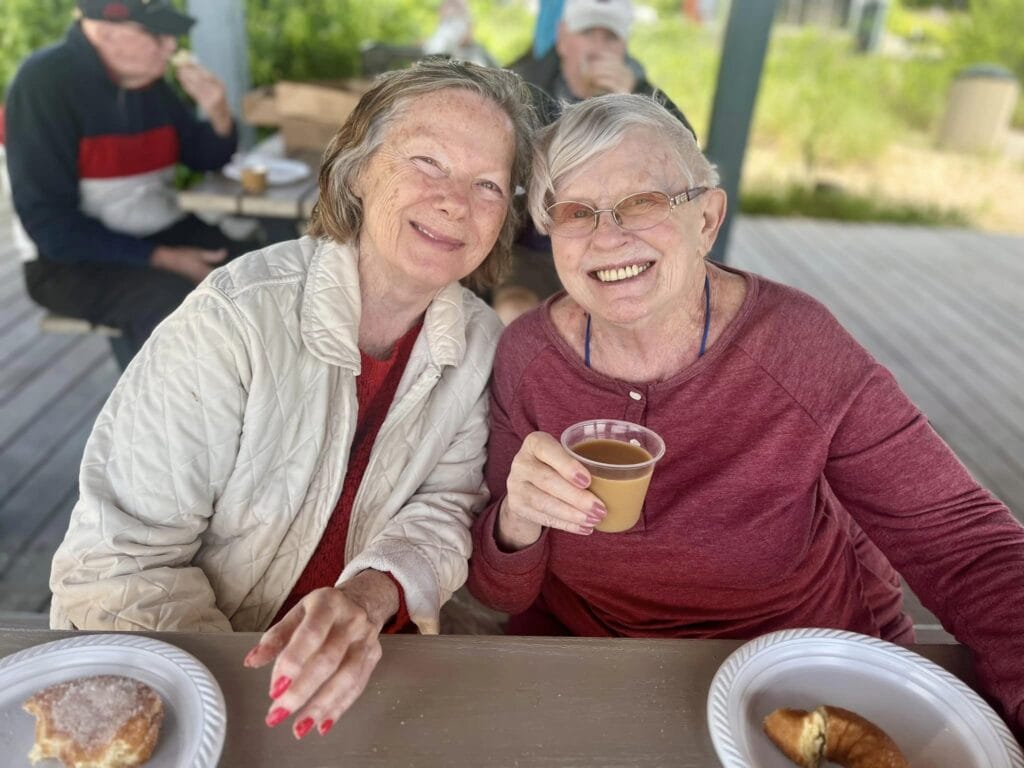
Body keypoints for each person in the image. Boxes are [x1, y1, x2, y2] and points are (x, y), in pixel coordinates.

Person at [466, 94, 1024, 737]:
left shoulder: (796, 345)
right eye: (575, 212)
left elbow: (960, 540)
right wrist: (516, 522)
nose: (607, 236)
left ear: (707, 218)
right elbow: (501, 592)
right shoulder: (527, 357)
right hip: (597, 678)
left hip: (791, 675)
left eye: (643, 202)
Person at [48, 60, 537, 737]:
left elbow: (448, 504)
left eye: (488, 183)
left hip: (372, 671)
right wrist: (248, 698)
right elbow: (118, 565)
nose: (457, 200)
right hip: (200, 670)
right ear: (359, 170)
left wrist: (367, 599)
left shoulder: (481, 341)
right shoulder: (235, 321)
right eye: (428, 161)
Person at [5, 0, 244, 367]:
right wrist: (168, 260)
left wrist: (218, 111)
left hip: (158, 232)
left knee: (255, 268)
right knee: (177, 305)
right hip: (67, 262)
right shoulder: (44, 83)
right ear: (102, 31)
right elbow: (52, 229)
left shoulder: (152, 85)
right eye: (156, 34)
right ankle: (163, 418)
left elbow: (203, 156)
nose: (171, 46)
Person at [495, 0, 695, 324]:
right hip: (534, 244)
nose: (598, 47)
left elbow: (689, 159)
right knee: (514, 311)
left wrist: (635, 99)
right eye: (588, 32)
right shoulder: (520, 86)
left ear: (624, 48)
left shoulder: (639, 91)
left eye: (610, 37)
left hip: (618, 241)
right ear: (562, 39)